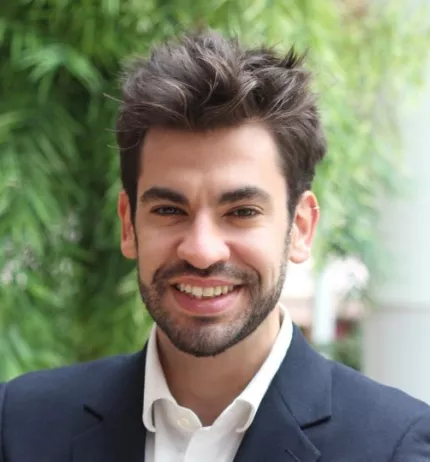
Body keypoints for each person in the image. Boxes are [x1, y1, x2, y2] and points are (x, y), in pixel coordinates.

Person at [1, 30, 429, 462]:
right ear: (128, 225)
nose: (202, 251)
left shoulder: (393, 447)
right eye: (169, 210)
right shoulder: (19, 424)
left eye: (241, 212)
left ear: (300, 228)